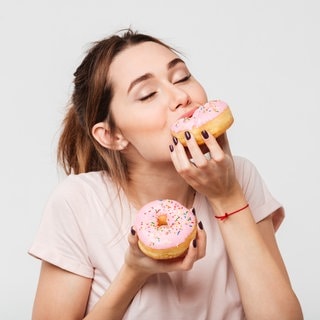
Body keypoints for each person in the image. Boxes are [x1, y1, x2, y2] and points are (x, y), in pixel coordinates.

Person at [29, 28, 303, 320]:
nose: (181, 96)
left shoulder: (240, 176)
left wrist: (227, 198)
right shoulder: (78, 203)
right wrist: (133, 272)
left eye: (182, 77)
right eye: (147, 94)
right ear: (111, 136)